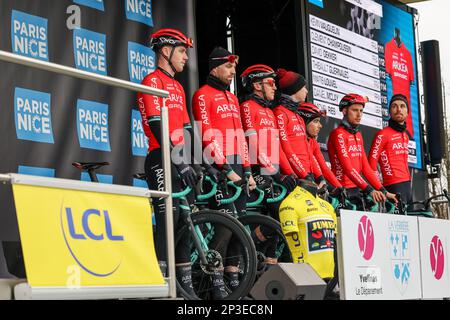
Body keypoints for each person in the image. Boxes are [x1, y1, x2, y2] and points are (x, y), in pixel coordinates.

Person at [137, 28, 198, 297]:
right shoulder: (152, 80)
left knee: (185, 226)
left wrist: (198, 161)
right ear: (165, 50)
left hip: (179, 158)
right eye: (182, 50)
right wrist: (178, 160)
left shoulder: (178, 86)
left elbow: (186, 127)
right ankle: (160, 287)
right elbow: (155, 123)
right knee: (168, 222)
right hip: (160, 158)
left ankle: (185, 289)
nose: (186, 57)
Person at [192, 46, 255, 299]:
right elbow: (207, 133)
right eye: (228, 67)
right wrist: (226, 170)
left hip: (239, 165)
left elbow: (240, 135)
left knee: (240, 224)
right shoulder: (202, 95)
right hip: (218, 166)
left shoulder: (232, 98)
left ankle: (232, 278)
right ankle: (215, 282)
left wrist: (248, 170)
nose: (232, 72)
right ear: (215, 67)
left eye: (234, 68)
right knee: (225, 226)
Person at [239, 64, 297, 268]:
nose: (275, 88)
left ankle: (268, 264)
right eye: (271, 83)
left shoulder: (270, 112)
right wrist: (275, 173)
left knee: (286, 215)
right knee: (282, 213)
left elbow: (278, 148)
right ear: (257, 85)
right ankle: (248, 245)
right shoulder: (247, 107)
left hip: (272, 171)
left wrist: (289, 174)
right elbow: (252, 144)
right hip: (257, 170)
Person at [327, 93, 397, 204]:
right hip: (341, 189)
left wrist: (383, 191)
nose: (359, 115)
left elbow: (366, 168)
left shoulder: (358, 135)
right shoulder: (338, 134)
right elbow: (348, 168)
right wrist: (369, 190)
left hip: (356, 188)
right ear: (345, 111)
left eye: (361, 111)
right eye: (355, 110)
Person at [272, 69, 323, 184]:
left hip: (307, 175)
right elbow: (286, 149)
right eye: (303, 87)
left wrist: (320, 178)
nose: (306, 91)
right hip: (296, 176)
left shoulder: (298, 116)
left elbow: (308, 152)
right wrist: (303, 175)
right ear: (295, 89)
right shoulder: (280, 112)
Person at [279, 179, 337, 280]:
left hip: (328, 275)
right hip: (305, 276)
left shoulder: (328, 206)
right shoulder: (290, 203)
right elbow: (293, 244)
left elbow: (333, 239)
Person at [369, 94, 412, 204]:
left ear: (407, 112)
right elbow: (371, 163)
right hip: (392, 185)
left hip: (407, 185)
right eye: (394, 106)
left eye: (402, 106)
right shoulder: (382, 134)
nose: (398, 110)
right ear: (389, 111)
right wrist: (379, 185)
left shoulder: (406, 135)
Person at [297, 102, 344, 192]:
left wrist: (339, 188)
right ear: (303, 121)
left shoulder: (312, 141)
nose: (320, 126)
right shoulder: (279, 114)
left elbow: (323, 167)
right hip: (296, 179)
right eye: (316, 121)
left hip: (308, 180)